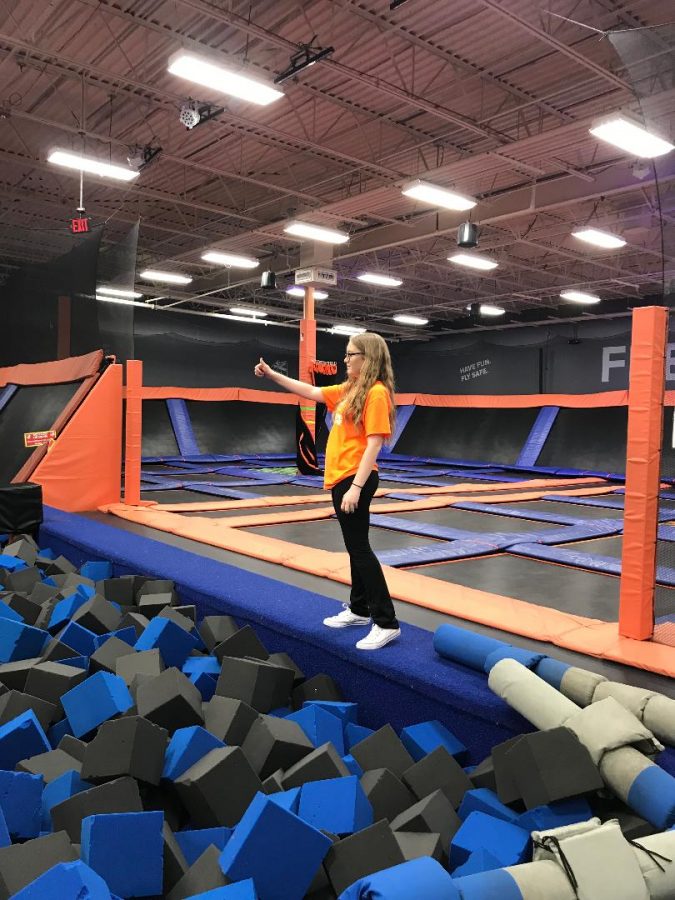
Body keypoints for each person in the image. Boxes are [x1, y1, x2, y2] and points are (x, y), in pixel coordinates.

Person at [254, 332, 401, 650]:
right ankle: (360, 609)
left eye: (351, 354)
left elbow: (374, 444)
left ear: (367, 357)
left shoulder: (375, 393)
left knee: (360, 550)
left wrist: (356, 488)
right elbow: (310, 390)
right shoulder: (351, 390)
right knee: (354, 547)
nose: (345, 360)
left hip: (354, 478)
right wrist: (272, 374)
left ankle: (386, 622)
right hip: (341, 479)